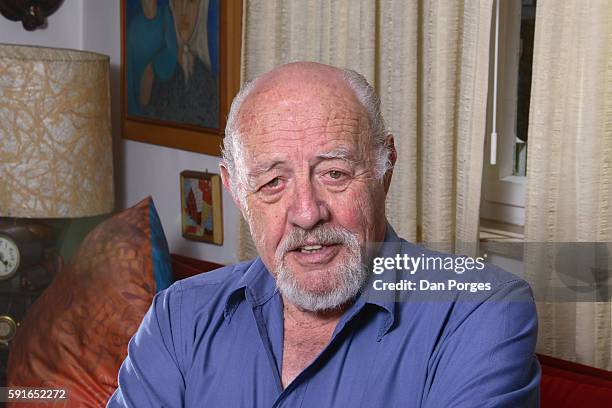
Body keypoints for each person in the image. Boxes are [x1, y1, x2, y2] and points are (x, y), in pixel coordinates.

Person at [108, 62, 540, 407]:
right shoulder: (178, 317)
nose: (306, 213)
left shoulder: (481, 311)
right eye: (273, 182)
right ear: (237, 191)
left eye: (334, 173)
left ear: (384, 169)